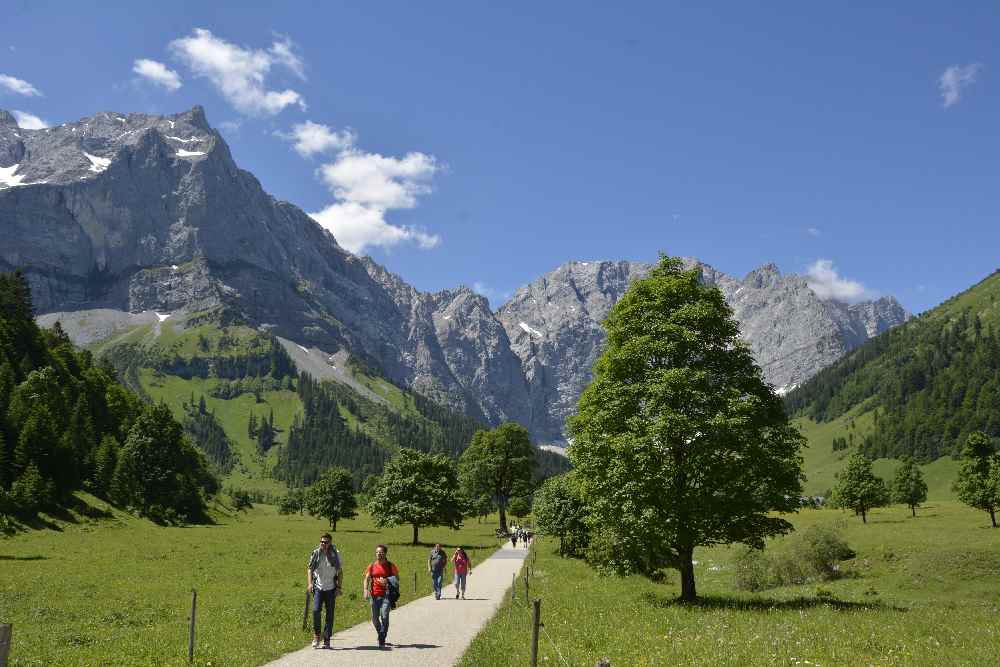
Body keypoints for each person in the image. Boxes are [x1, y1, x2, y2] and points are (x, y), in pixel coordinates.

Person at [306, 533, 342, 649]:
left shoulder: (335, 554)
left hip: (331, 588)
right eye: (322, 542)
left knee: (329, 614)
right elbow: (310, 569)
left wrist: (339, 588)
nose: (323, 544)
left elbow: (340, 572)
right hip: (318, 587)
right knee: (316, 610)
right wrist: (310, 583)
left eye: (326, 542)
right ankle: (317, 636)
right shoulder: (316, 553)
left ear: (330, 543)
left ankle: (327, 639)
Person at [363, 544, 399, 649]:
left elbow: (397, 579)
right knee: (374, 618)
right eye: (377, 552)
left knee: (384, 615)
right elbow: (366, 578)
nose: (379, 554)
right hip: (374, 595)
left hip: (386, 595)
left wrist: (387, 580)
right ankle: (381, 633)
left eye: (381, 552)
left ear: (385, 553)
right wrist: (365, 589)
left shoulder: (390, 566)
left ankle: (382, 638)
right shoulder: (372, 566)